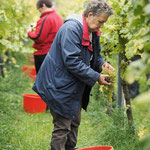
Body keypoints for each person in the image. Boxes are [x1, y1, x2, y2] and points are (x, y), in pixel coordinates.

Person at [32, 0, 114, 149]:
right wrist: (96, 77)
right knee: (63, 127)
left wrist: (102, 64)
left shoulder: (92, 31)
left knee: (74, 122)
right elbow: (72, 62)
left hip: (73, 84)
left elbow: (95, 55)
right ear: (90, 15)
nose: (102, 25)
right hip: (59, 84)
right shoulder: (71, 28)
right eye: (101, 22)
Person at [27, 0, 63, 74]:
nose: (40, 11)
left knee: (42, 81)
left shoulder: (45, 19)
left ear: (43, 5)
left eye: (39, 9)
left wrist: (29, 32)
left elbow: (38, 37)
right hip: (55, 53)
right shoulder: (58, 17)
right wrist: (37, 26)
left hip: (43, 54)